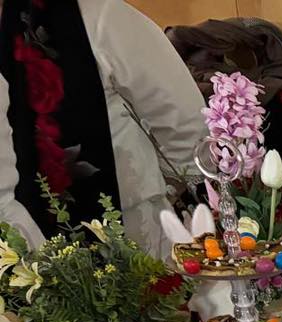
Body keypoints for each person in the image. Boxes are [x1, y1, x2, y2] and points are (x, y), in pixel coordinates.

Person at [0, 0, 207, 256]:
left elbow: (185, 125)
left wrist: (169, 191)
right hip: (21, 250)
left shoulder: (100, 15)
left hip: (134, 229)